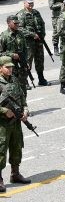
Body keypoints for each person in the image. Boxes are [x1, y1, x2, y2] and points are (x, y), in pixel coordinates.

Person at [0, 55, 31, 191]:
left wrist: (25, 109)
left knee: (16, 146)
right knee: (1, 150)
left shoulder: (14, 80)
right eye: (7, 67)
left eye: (11, 67)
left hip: (15, 122)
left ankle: (15, 174)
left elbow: (22, 97)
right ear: (0, 68)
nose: (10, 69)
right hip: (2, 124)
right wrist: (4, 111)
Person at [16, 0, 48, 86]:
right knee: (27, 61)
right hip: (28, 43)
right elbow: (20, 29)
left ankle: (41, 79)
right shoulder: (21, 15)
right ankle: (24, 81)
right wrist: (32, 35)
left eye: (32, 3)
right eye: (29, 3)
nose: (31, 4)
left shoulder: (36, 13)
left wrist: (42, 35)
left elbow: (42, 24)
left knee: (40, 60)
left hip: (38, 41)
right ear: (24, 3)